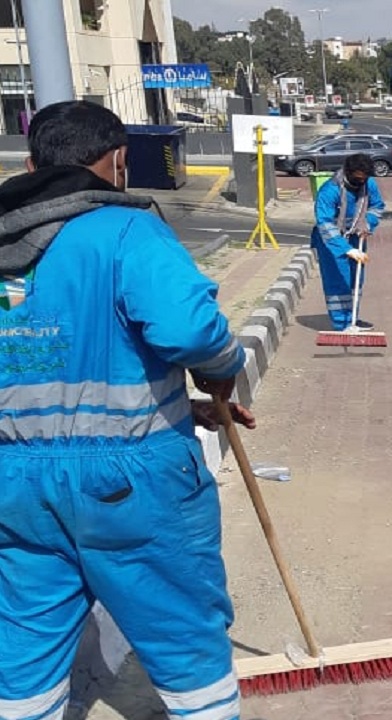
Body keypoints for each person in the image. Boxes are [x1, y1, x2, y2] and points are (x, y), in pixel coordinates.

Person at [0, 101, 254, 720]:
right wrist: (223, 371)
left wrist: (175, 405)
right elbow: (189, 332)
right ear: (116, 161)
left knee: (25, 651)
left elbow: (55, 385)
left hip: (15, 484)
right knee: (184, 637)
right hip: (132, 483)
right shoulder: (125, 229)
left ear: (32, 163)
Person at [311, 153, 385, 332]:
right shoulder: (330, 190)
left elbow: (377, 206)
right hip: (331, 241)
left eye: (364, 178)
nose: (360, 182)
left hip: (356, 235)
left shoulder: (368, 185)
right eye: (357, 178)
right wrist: (346, 249)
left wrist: (367, 223)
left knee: (355, 279)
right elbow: (324, 222)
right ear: (348, 172)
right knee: (338, 280)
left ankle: (353, 318)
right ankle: (341, 324)